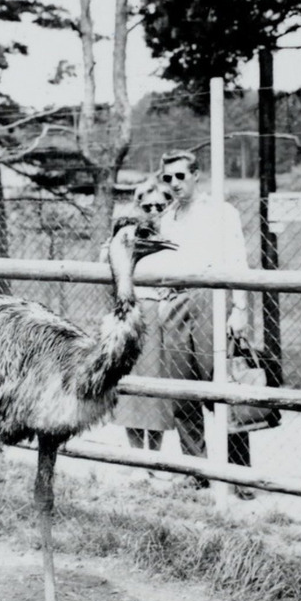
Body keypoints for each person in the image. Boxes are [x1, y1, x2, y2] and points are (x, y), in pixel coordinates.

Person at [141, 149, 255, 498]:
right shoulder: (169, 217)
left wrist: (240, 308)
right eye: (168, 178)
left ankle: (240, 475)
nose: (174, 184)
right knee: (182, 391)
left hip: (212, 297)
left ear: (196, 175)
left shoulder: (221, 212)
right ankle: (197, 468)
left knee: (222, 386)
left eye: (180, 176)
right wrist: (163, 303)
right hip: (175, 301)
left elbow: (237, 259)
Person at [106, 179, 179, 454]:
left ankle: (155, 455)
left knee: (156, 387)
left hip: (159, 313)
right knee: (129, 384)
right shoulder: (130, 233)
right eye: (146, 205)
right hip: (132, 311)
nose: (153, 210)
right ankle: (137, 454)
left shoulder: (172, 234)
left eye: (160, 205)